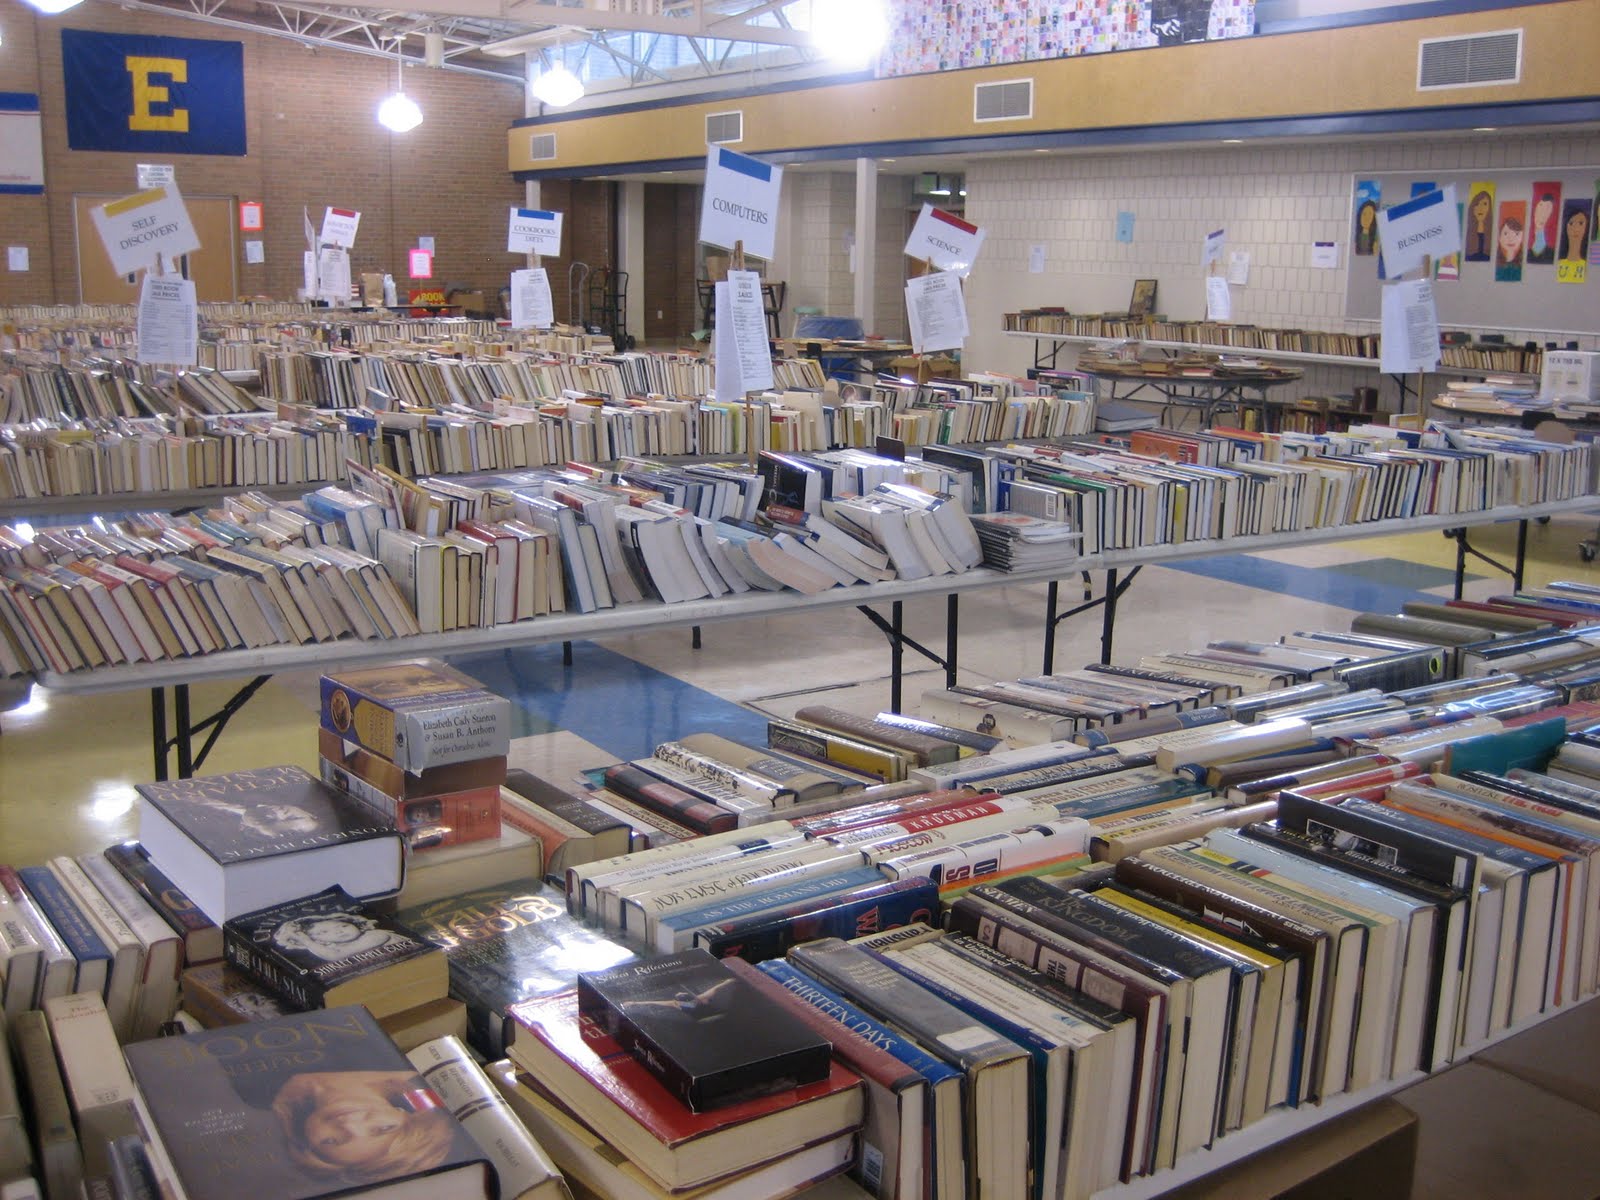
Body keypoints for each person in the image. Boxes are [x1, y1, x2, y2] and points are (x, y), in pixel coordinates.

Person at [271, 1070, 456, 1185]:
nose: (348, 1124)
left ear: (306, 1139)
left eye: (331, 1141)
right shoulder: (406, 1061)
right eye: (382, 1129)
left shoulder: (261, 1094)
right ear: (405, 1113)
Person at [270, 911, 406, 962]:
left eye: (343, 925)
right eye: (324, 932)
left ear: (356, 923)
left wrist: (305, 940)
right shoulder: (335, 947)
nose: (339, 931)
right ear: (318, 941)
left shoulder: (376, 935)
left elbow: (336, 956)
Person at [1527, 192, 1557, 264]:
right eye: (1541, 206)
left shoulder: (1550, 252)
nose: (1543, 214)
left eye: (1548, 209)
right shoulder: (1527, 249)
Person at [1464, 190, 1494, 260]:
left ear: (1489, 209)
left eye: (1485, 204)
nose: (1480, 208)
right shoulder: (1468, 235)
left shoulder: (1491, 235)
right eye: (1477, 204)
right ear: (1473, 208)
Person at [1495, 214, 1525, 282]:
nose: (1511, 239)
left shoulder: (1520, 266)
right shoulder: (1498, 264)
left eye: (1516, 234)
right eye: (1506, 233)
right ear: (1499, 237)